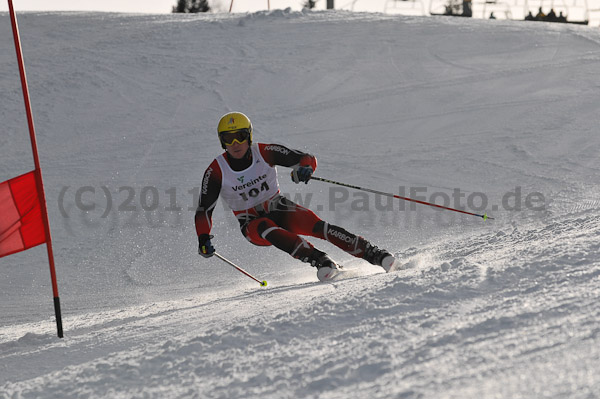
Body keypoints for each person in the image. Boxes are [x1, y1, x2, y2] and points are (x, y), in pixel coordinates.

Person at [195, 112, 397, 281]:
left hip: (278, 207)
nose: (235, 143)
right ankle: (321, 261)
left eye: (240, 135)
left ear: (249, 136)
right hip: (251, 223)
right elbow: (204, 209)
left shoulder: (264, 152)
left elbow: (305, 159)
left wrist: (305, 168)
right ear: (222, 142)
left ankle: (375, 254)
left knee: (319, 227)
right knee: (265, 226)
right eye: (228, 139)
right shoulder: (216, 171)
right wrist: (203, 238)